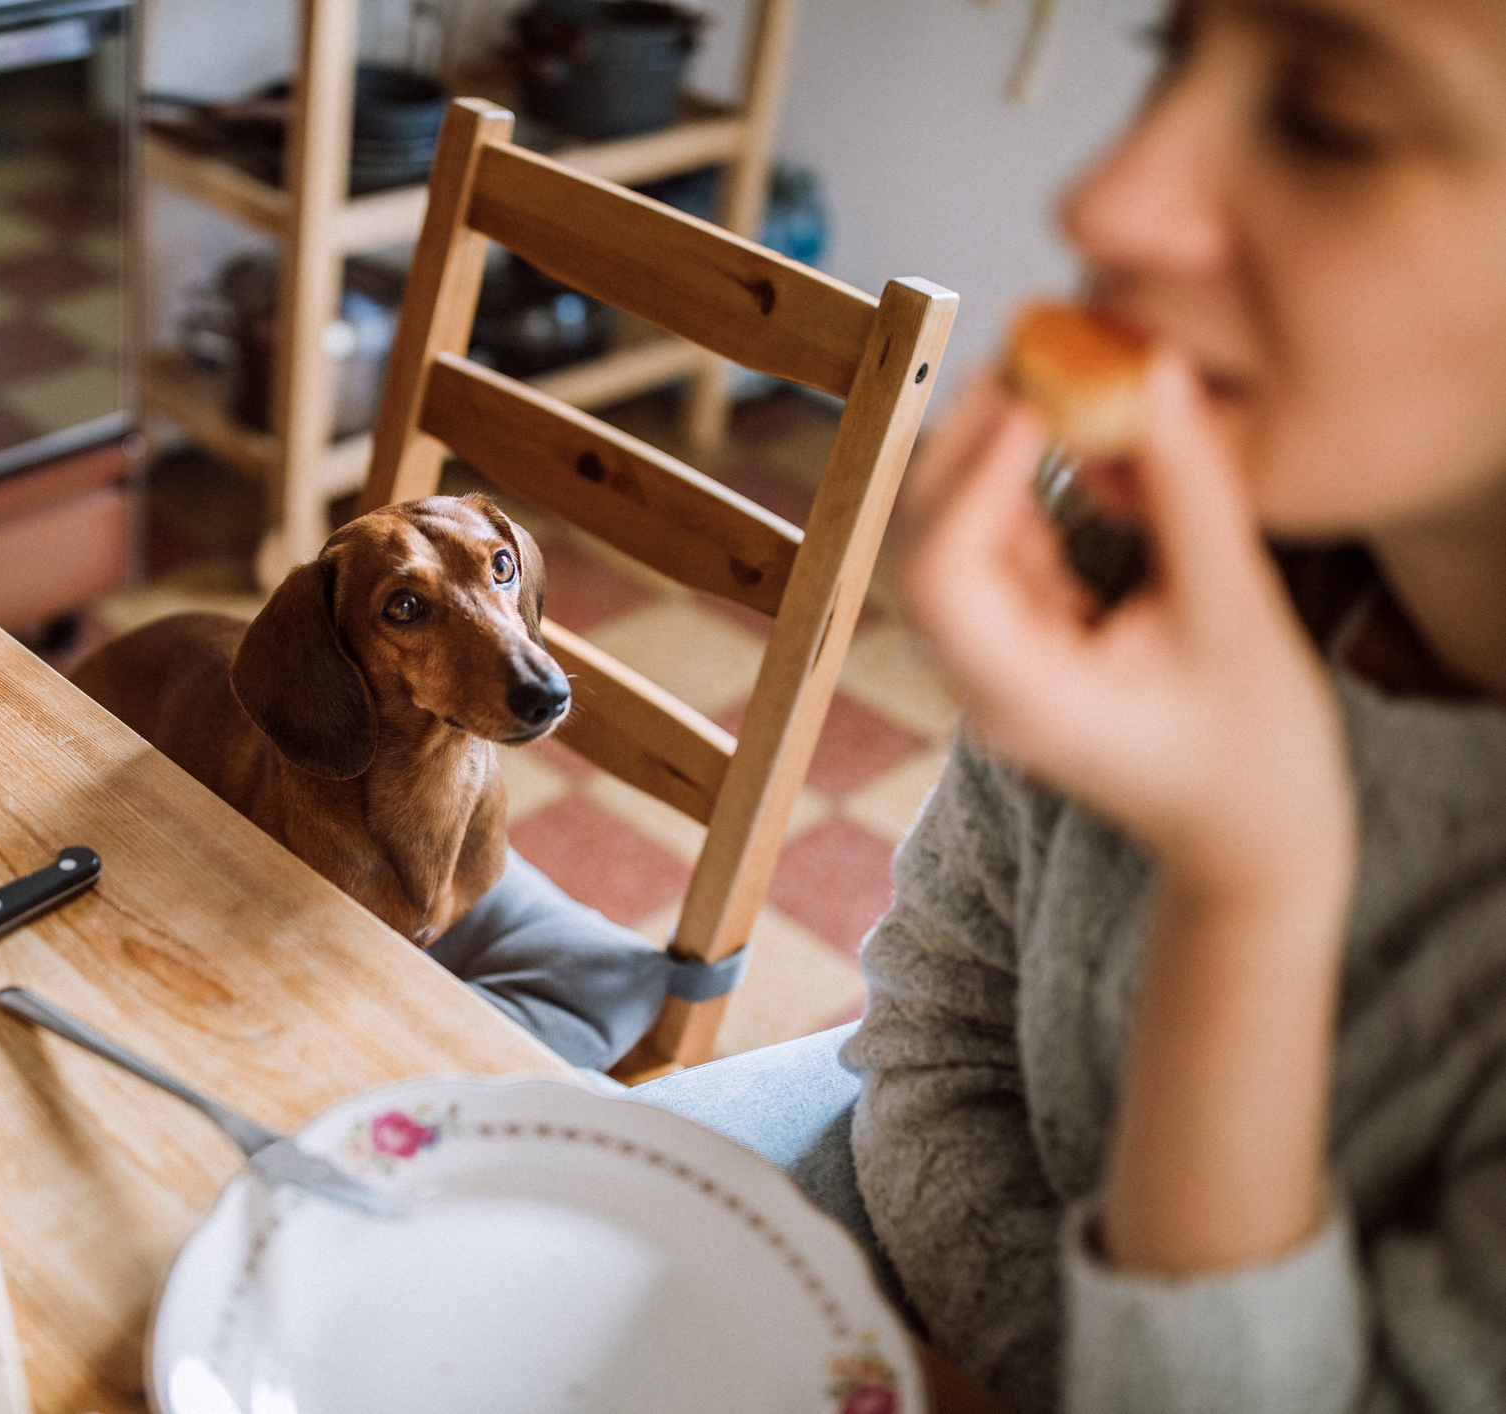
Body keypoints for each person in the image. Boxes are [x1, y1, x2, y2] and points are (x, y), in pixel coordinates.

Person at [639, 2, 1506, 1410]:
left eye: (1331, 117)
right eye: (1173, 45)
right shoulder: (1135, 539)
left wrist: (1249, 893)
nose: (1101, 198)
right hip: (896, 1196)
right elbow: (936, 1024)